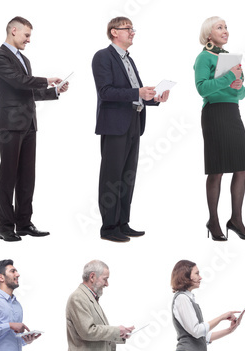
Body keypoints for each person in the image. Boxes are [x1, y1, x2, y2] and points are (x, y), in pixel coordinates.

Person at [0, 17, 67, 242]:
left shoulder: (25, 59)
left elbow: (27, 91)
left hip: (29, 123)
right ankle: (5, 227)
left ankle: (24, 223)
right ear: (14, 31)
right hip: (10, 123)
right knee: (8, 176)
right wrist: (46, 80)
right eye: (26, 35)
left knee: (27, 176)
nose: (29, 40)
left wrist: (55, 91)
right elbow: (17, 82)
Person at [92, 17, 170, 242]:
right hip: (115, 125)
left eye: (132, 29)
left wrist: (154, 98)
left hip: (134, 123)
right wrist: (138, 93)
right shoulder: (103, 57)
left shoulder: (129, 59)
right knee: (111, 178)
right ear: (114, 32)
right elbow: (105, 91)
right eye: (128, 29)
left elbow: (135, 92)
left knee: (127, 177)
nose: (132, 32)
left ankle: (122, 223)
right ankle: (108, 228)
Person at [194, 17, 245, 241]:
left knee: (241, 168)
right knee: (216, 169)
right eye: (220, 27)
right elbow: (202, 89)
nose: (225, 31)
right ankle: (213, 220)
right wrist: (230, 78)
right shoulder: (203, 58)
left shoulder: (231, 59)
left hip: (232, 113)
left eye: (226, 27)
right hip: (214, 114)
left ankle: (236, 219)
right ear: (208, 34)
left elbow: (242, 93)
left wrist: (238, 86)